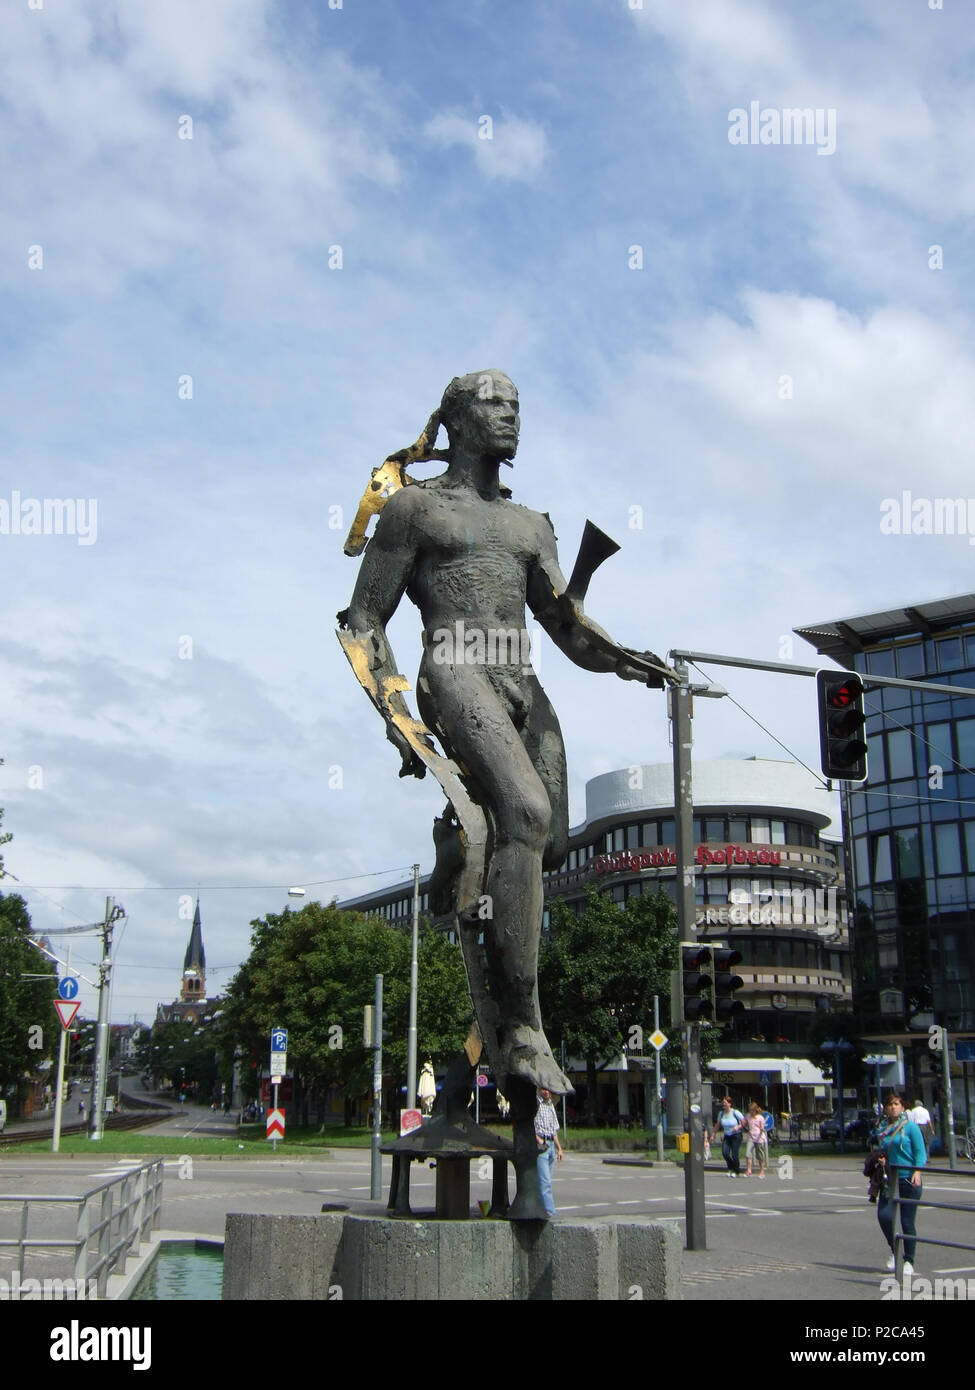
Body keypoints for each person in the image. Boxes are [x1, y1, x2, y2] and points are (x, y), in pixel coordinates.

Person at [340, 370, 666, 1097]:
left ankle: (457, 843)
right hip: (453, 668)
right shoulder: (415, 510)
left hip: (522, 677)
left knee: (548, 843)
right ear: (454, 418)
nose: (510, 414)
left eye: (516, 404)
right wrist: (396, 717)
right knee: (525, 813)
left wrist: (630, 663)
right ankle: (521, 1025)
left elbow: (567, 629)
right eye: (493, 403)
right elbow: (362, 621)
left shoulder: (531, 525)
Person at [876, 1092, 926, 1276]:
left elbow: (920, 1152)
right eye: (890, 1104)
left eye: (896, 1104)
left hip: (908, 1179)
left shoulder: (911, 1128)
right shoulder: (882, 1129)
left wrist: (918, 1171)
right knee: (885, 1216)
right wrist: (881, 1159)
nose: (893, 1107)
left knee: (907, 1221)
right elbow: (883, 1150)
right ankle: (895, 1251)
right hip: (889, 1178)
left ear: (903, 1107)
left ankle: (909, 1260)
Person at [534, 1086, 564, 1216]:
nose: (546, 1092)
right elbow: (529, 1125)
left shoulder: (550, 1105)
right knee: (545, 1181)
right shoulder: (536, 1105)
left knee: (546, 1181)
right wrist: (539, 1141)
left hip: (551, 1144)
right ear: (539, 1090)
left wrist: (559, 1149)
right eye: (543, 1089)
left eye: (548, 1090)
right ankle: (550, 1212)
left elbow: (554, 1130)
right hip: (542, 1145)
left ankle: (539, 1207)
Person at [711, 1096, 744, 1176]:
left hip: (736, 1135)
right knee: (725, 1153)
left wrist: (738, 1127)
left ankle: (736, 1171)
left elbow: (744, 1121)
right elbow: (717, 1125)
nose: (723, 1104)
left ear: (730, 1104)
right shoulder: (721, 1114)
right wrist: (713, 1135)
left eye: (725, 1102)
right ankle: (731, 1168)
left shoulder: (735, 1112)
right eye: (723, 1102)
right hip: (727, 1136)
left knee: (734, 1154)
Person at [743, 1102, 768, 1178]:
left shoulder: (760, 1117)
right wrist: (742, 1124)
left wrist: (762, 1129)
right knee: (747, 1154)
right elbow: (744, 1123)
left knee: (760, 1155)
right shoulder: (748, 1116)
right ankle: (749, 1170)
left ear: (755, 1110)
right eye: (750, 1110)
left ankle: (762, 1171)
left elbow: (762, 1126)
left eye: (752, 1111)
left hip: (759, 1138)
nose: (751, 1112)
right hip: (751, 1138)